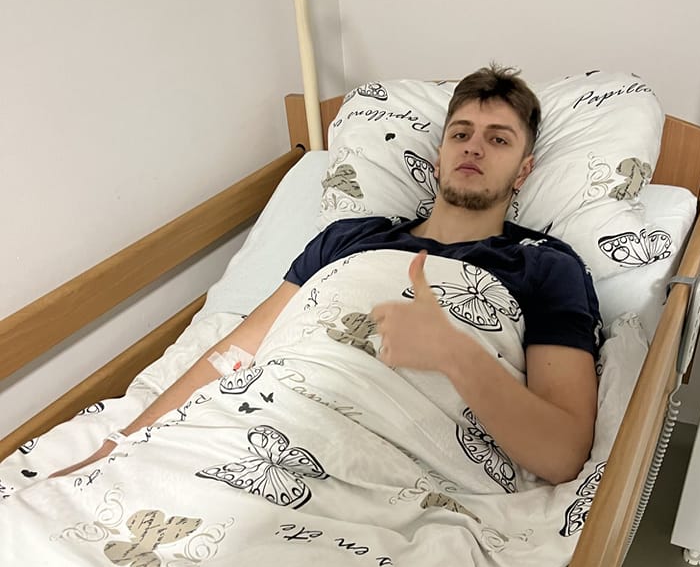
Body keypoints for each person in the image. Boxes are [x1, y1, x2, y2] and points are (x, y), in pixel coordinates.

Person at [55, 65, 600, 485]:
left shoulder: (545, 265)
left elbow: (562, 455)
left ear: (524, 171)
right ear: (437, 157)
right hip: (256, 430)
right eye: (461, 133)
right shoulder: (348, 239)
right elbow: (238, 352)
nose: (474, 146)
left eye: (499, 139)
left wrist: (455, 354)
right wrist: (120, 445)